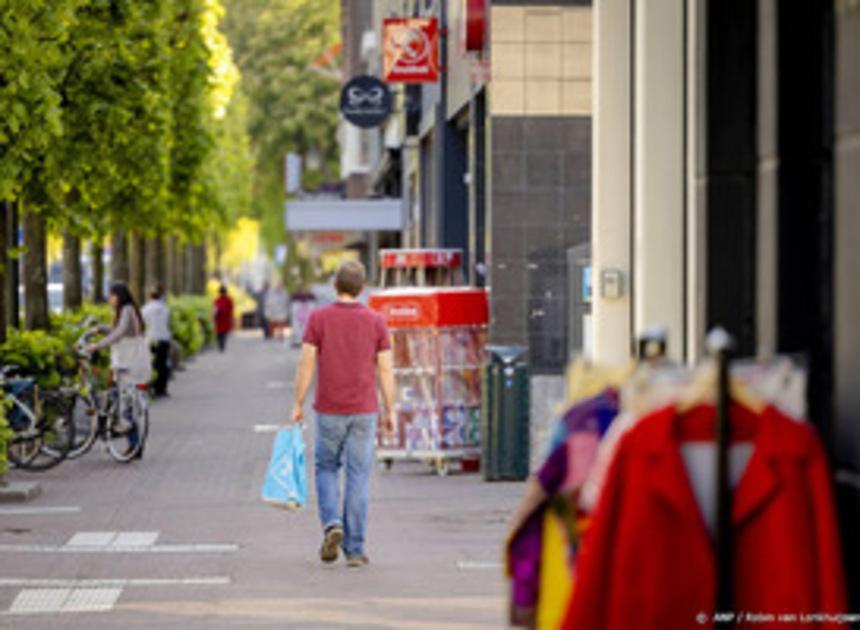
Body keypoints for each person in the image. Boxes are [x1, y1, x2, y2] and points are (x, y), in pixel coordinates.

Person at [291, 261, 395, 568]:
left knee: (325, 467)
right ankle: (355, 549)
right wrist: (390, 408)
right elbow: (386, 369)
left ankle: (331, 523)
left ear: (336, 285)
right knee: (358, 476)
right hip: (364, 410)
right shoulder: (376, 321)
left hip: (329, 409)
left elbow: (306, 363)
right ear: (362, 288)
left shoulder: (319, 318)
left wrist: (297, 402)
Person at [85, 282, 147, 458]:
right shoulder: (128, 310)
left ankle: (133, 443)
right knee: (121, 399)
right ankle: (133, 443)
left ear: (119, 296)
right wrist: (101, 329)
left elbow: (119, 333)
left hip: (127, 362)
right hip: (129, 361)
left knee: (122, 402)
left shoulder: (126, 309)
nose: (110, 299)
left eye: (112, 295)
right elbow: (120, 330)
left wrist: (97, 345)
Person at [141, 285, 172, 398]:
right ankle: (162, 389)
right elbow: (168, 324)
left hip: (151, 339)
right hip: (164, 339)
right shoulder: (165, 309)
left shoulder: (145, 309)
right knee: (163, 365)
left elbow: (143, 325)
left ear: (149, 297)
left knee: (152, 365)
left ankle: (152, 388)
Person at [213, 285, 234, 352]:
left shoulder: (226, 300)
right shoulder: (219, 300)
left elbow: (231, 309)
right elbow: (215, 309)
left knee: (223, 333)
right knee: (220, 333)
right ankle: (221, 345)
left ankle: (221, 345)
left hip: (223, 319)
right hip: (220, 319)